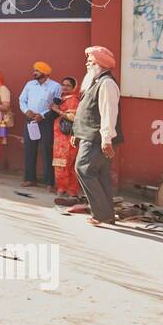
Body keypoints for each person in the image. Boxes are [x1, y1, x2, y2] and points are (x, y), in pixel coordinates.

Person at [74, 46, 123, 226]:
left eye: (91, 61)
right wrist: (76, 133)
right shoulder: (94, 82)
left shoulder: (107, 83)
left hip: (97, 138)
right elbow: (86, 111)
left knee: (84, 169)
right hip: (89, 136)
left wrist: (106, 139)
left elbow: (108, 112)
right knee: (100, 175)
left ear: (100, 64)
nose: (87, 64)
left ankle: (101, 214)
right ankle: (107, 214)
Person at [19, 61, 61, 191]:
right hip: (30, 120)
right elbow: (22, 99)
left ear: (45, 73)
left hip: (46, 122)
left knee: (47, 151)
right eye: (34, 70)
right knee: (29, 150)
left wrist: (42, 115)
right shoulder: (30, 84)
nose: (34, 73)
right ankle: (30, 179)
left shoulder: (55, 86)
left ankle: (50, 182)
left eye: (37, 71)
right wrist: (26, 111)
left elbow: (56, 105)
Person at [49, 76, 82, 199]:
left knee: (66, 164)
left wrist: (58, 111)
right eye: (63, 84)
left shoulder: (73, 99)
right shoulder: (61, 98)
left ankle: (67, 189)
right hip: (59, 136)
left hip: (67, 137)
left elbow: (74, 117)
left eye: (68, 85)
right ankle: (65, 189)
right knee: (61, 164)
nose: (65, 87)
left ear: (74, 87)